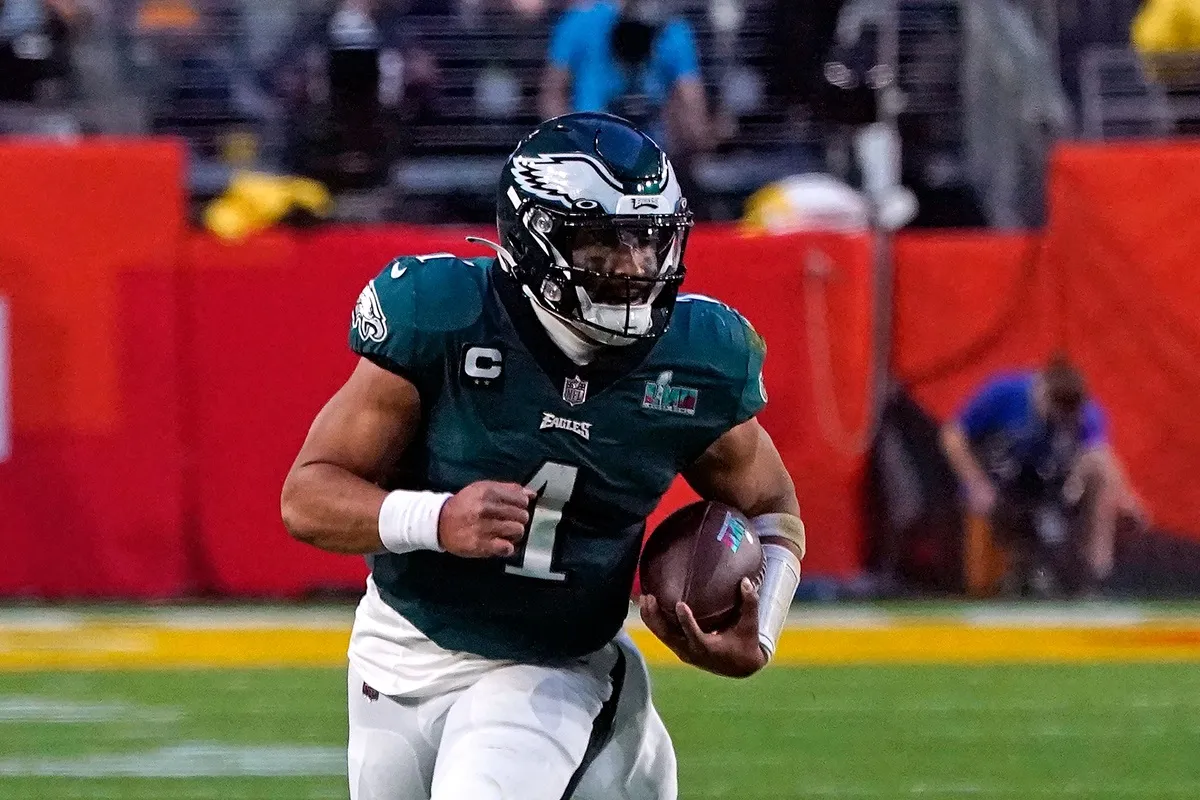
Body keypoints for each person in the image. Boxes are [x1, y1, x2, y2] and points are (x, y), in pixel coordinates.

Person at [280, 112, 806, 800]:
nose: (632, 268)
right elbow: (308, 496)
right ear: (531, 237)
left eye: (649, 243)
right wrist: (437, 520)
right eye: (601, 243)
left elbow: (772, 506)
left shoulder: (695, 358)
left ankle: (616, 718)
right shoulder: (444, 315)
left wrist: (759, 624)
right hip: (399, 643)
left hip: (555, 663)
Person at [940, 354, 1145, 597]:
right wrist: (975, 482)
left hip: (1053, 487)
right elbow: (952, 435)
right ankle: (1014, 570)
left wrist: (1127, 499)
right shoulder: (1003, 394)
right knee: (982, 587)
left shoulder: (1086, 414)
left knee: (1100, 468)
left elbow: (1102, 458)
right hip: (999, 486)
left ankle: (1095, 574)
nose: (1061, 420)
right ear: (1041, 390)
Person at [538, 0, 711, 156]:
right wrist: (575, 142)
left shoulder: (674, 31)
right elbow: (551, 96)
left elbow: (692, 112)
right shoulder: (579, 22)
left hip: (654, 154)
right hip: (589, 155)